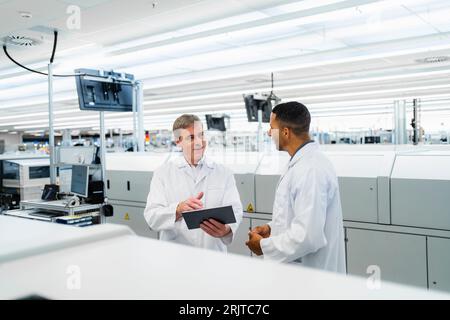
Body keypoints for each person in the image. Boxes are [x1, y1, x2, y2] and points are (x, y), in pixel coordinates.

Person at [246, 102, 346, 273]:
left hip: (310, 276)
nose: (269, 133)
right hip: (298, 274)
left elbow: (308, 236)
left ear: (285, 132)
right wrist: (272, 227)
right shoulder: (302, 163)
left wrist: (263, 246)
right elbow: (299, 215)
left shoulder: (310, 170)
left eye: (272, 128)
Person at [144, 114, 243, 252]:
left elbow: (236, 210)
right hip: (176, 256)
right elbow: (152, 216)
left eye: (201, 135)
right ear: (178, 141)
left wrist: (226, 230)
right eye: (191, 137)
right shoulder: (163, 174)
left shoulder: (223, 173)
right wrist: (178, 209)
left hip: (213, 255)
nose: (199, 142)